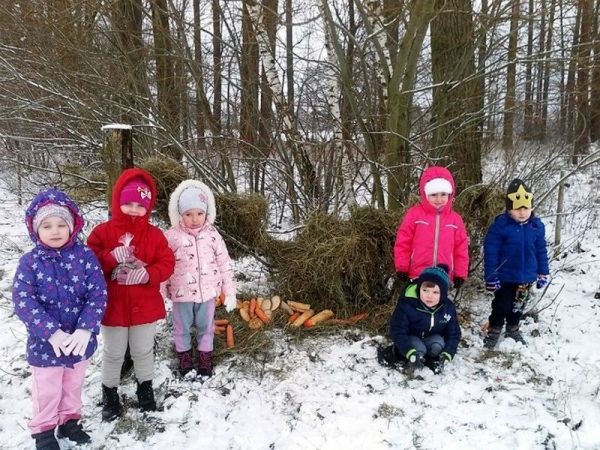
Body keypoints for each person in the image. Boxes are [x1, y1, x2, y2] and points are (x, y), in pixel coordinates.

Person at [12, 188, 107, 450]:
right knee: (48, 389)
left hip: (78, 341)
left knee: (73, 385)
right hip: (45, 345)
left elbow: (98, 293)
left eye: (61, 224)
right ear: (35, 230)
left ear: (72, 226)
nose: (55, 231)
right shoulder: (30, 262)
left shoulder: (85, 257)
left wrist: (86, 329)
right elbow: (23, 301)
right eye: (47, 225)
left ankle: (69, 422)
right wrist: (51, 332)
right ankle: (43, 432)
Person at [87, 168, 175, 421]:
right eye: (128, 204)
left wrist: (148, 274)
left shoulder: (155, 234)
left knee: (142, 350)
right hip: (112, 307)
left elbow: (167, 262)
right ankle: (110, 395)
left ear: (148, 207)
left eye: (140, 205)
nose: (134, 209)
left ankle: (144, 390)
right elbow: (87, 262)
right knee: (113, 353)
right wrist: (109, 257)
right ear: (117, 202)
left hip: (144, 306)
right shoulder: (102, 233)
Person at [162, 179, 237, 377]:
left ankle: (205, 360)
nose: (195, 219)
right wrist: (160, 293)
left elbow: (224, 263)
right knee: (182, 328)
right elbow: (162, 266)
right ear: (180, 214)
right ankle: (185, 360)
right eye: (188, 214)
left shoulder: (212, 235)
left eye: (199, 213)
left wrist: (229, 291)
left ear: (206, 212)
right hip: (182, 294)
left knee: (206, 327)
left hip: (208, 293)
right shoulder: (171, 236)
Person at [483, 178, 549, 348]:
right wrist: (491, 276)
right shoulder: (501, 226)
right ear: (509, 208)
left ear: (531, 207)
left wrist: (543, 272)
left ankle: (513, 328)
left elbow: (541, 250)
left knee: (518, 305)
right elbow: (491, 251)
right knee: (502, 304)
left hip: (526, 276)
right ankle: (494, 328)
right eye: (517, 208)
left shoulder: (536, 226)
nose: (522, 212)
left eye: (525, 208)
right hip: (505, 276)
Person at [393, 166, 469, 289]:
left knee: (436, 306)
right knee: (414, 306)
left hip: (442, 276)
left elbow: (461, 249)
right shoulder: (414, 214)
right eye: (434, 194)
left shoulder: (455, 220)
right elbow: (403, 242)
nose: (439, 199)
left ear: (450, 194)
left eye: (443, 194)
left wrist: (460, 273)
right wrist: (402, 266)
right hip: (417, 274)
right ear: (425, 193)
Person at [379, 266, 461, 374]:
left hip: (430, 339)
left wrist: (447, 354)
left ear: (443, 294)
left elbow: (454, 333)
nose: (429, 296)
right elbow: (397, 330)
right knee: (419, 349)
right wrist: (409, 351)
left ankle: (430, 360)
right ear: (419, 289)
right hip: (411, 339)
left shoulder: (448, 308)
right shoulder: (407, 304)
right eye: (425, 290)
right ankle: (410, 357)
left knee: (438, 344)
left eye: (435, 292)